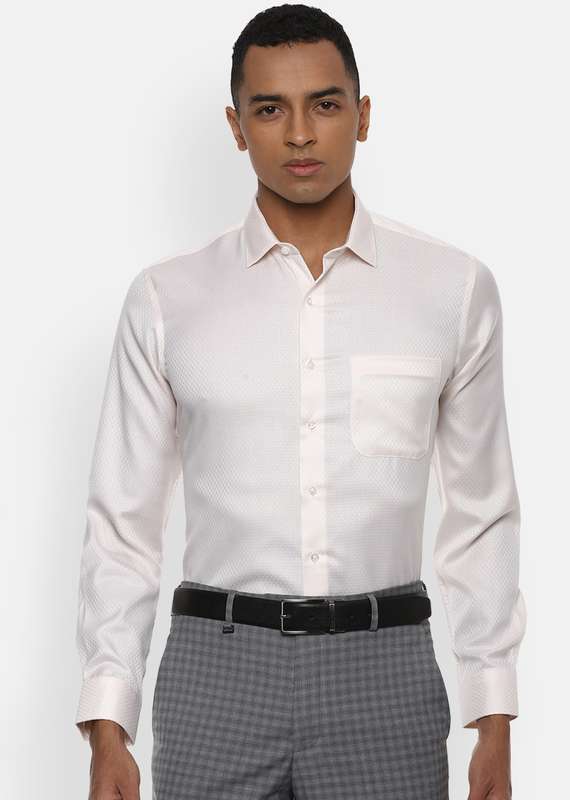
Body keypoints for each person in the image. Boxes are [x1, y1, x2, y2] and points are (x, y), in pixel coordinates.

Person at [74, 4, 527, 799]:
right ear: (236, 127)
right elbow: (123, 524)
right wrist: (107, 723)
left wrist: (494, 716)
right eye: (269, 109)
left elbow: (481, 512)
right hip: (216, 670)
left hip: (384, 669)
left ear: (363, 115)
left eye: (324, 104)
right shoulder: (167, 300)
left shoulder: (452, 291)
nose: (300, 134)